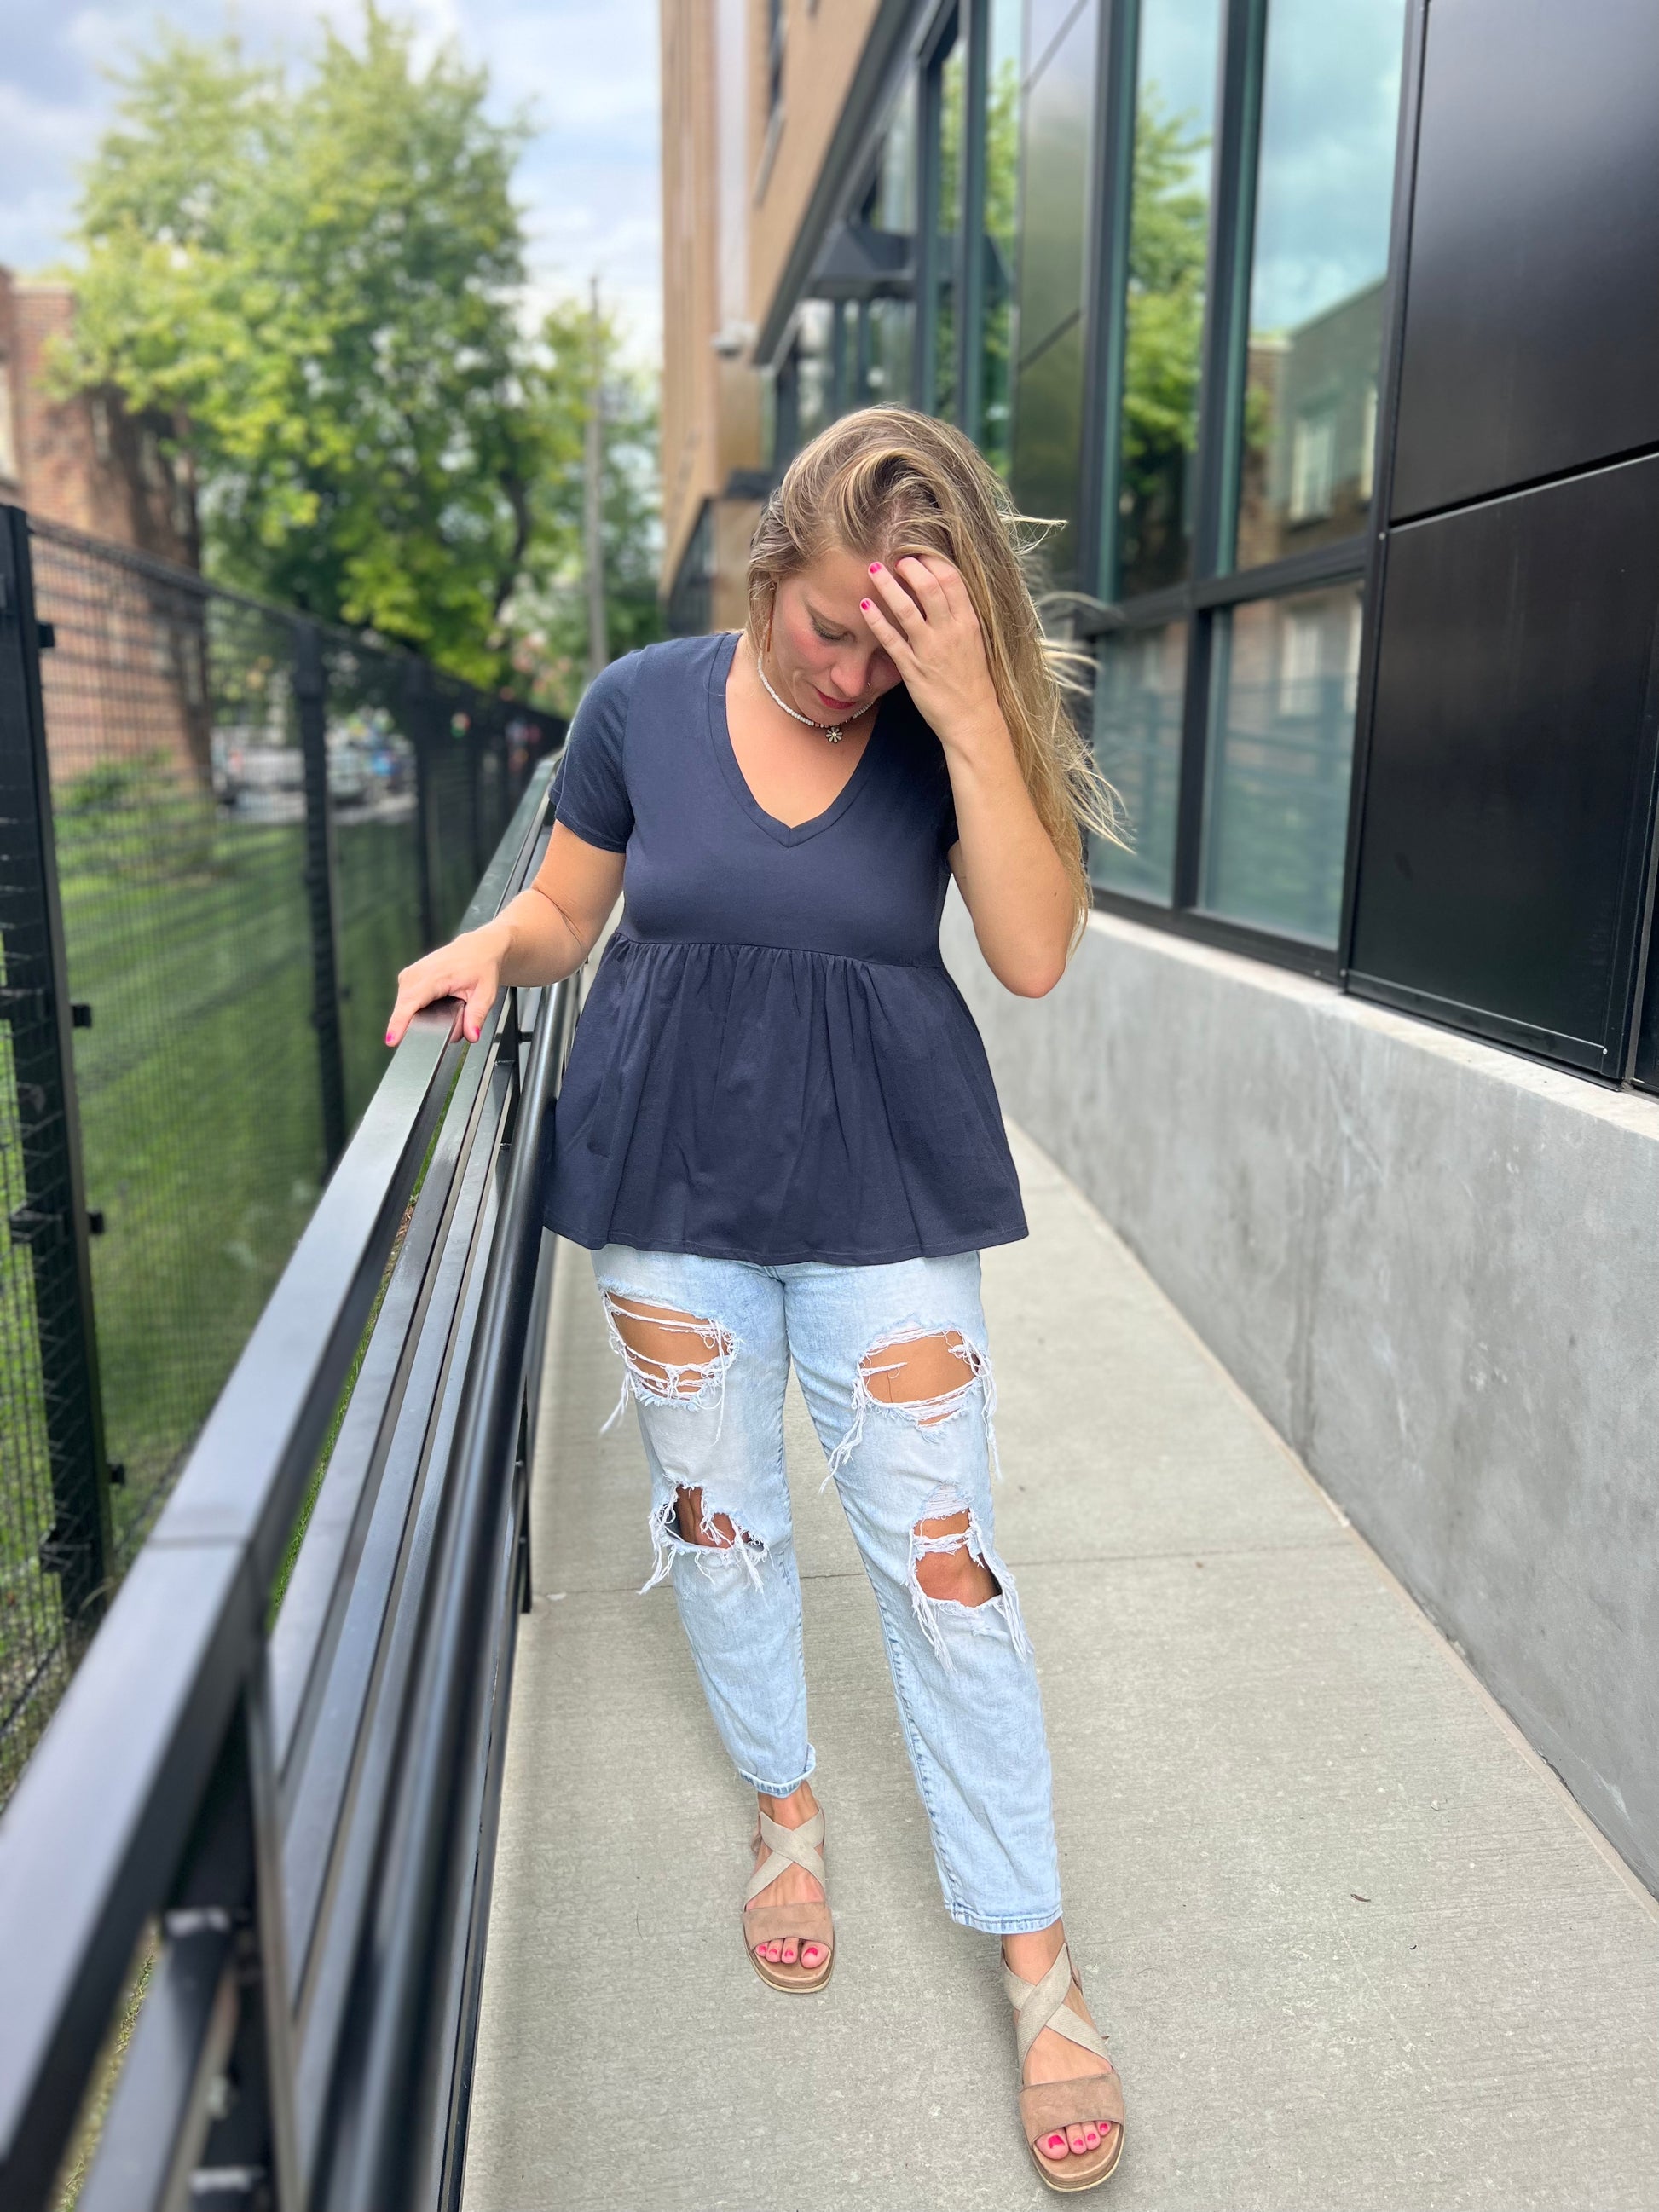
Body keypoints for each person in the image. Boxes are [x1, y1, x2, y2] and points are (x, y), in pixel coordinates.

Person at [385, 407, 1127, 2191]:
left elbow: (1031, 953)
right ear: (766, 566)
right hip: (669, 1188)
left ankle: (1034, 1951)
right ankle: (785, 1813)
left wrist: (969, 710)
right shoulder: (638, 705)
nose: (851, 673)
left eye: (891, 642)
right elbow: (570, 912)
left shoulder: (939, 721)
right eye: (826, 630)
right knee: (716, 1527)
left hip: (882, 1196)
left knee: (946, 1568)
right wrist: (495, 944)